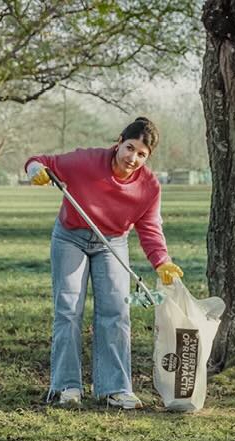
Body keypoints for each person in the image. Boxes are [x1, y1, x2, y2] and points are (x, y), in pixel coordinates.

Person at [25, 117, 183, 410]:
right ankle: (66, 386)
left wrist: (162, 262)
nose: (132, 158)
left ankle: (116, 388)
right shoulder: (86, 161)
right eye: (129, 147)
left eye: (141, 154)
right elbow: (39, 160)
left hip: (112, 242)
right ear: (119, 141)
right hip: (70, 237)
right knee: (69, 309)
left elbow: (149, 228)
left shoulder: (148, 187)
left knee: (116, 312)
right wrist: (37, 170)